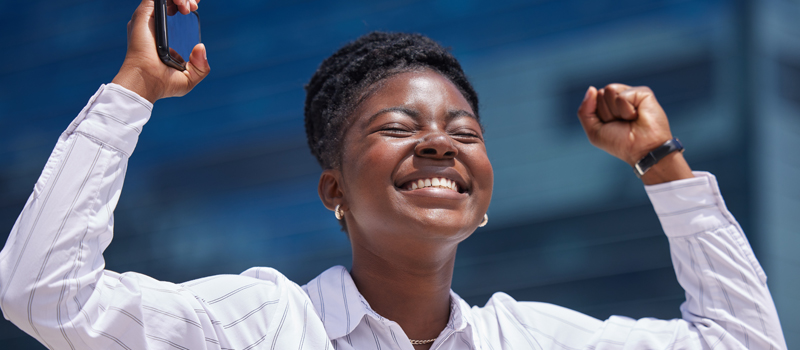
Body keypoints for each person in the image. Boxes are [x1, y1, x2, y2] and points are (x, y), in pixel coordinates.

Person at [0, 0, 787, 349]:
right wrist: (133, 91)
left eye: (462, 132)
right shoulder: (252, 328)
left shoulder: (527, 338)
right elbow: (42, 294)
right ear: (334, 190)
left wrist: (661, 163)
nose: (439, 146)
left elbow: (745, 343)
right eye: (399, 129)